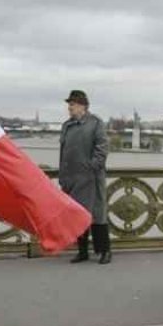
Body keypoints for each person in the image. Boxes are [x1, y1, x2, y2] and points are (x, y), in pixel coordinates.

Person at [60, 90, 111, 264]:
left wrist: (91, 168)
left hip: (91, 178)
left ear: (82, 105)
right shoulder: (67, 125)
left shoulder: (96, 123)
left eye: (72, 104)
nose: (69, 108)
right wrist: (63, 176)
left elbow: (102, 148)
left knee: (97, 215)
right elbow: (63, 153)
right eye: (69, 104)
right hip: (72, 179)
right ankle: (82, 252)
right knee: (77, 216)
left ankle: (104, 251)